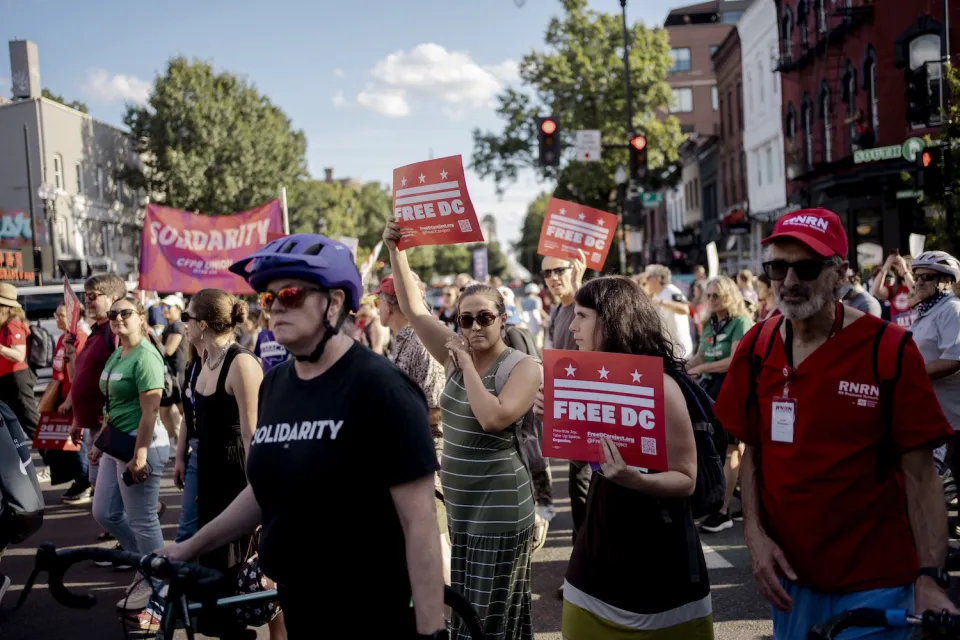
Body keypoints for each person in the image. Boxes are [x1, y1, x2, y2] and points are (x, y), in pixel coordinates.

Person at [162, 234, 446, 639]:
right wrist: (187, 547)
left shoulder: (383, 388)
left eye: (291, 295)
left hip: (370, 614)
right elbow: (265, 489)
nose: (276, 306)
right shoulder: (276, 384)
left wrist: (431, 631)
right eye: (268, 298)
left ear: (333, 303)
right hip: (300, 608)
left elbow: (418, 522)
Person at [714, 208, 956, 639]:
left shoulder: (889, 350)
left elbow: (921, 477)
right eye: (778, 267)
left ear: (838, 273)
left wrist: (930, 579)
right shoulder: (757, 347)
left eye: (805, 267)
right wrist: (753, 534)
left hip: (875, 582)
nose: (789, 281)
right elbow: (753, 451)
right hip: (790, 583)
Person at [386, 221, 539, 640]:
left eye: (485, 318)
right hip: (461, 506)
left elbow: (493, 417)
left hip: (500, 504)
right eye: (465, 320)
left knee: (487, 618)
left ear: (503, 319)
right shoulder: (456, 354)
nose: (473, 328)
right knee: (469, 608)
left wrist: (467, 365)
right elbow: (416, 311)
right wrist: (396, 250)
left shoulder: (522, 368)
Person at [544, 276, 712, 639]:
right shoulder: (588, 380)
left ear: (613, 319)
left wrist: (636, 480)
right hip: (595, 555)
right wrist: (556, 418)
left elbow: (686, 478)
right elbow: (588, 455)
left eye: (582, 316)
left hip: (659, 563)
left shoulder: (662, 386)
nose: (572, 326)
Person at [158, 289, 277, 638]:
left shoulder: (241, 363)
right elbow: (192, 419)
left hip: (237, 473)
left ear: (204, 324)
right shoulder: (200, 360)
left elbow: (252, 436)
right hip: (208, 469)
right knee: (216, 560)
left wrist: (260, 497)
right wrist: (182, 456)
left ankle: (272, 632)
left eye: (187, 317)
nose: (182, 323)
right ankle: (228, 627)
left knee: (246, 561)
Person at [89, 295, 171, 612]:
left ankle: (159, 585)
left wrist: (139, 455)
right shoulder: (119, 353)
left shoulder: (146, 356)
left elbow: (150, 412)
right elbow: (112, 404)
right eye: (113, 314)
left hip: (140, 442)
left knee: (142, 519)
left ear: (140, 316)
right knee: (105, 513)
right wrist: (99, 443)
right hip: (117, 442)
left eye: (125, 313)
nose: (117, 318)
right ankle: (147, 564)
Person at [685, 276, 753, 533]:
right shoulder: (710, 322)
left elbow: (734, 360)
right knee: (717, 447)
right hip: (712, 389)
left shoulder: (740, 321)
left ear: (729, 296)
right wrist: (679, 366)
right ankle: (731, 498)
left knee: (732, 450)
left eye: (717, 296)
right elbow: (701, 354)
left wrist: (700, 367)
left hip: (735, 389)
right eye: (709, 295)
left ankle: (723, 511)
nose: (711, 300)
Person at [68, 274, 127, 546]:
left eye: (94, 295)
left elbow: (120, 382)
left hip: (111, 425)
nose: (87, 300)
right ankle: (121, 528)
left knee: (114, 493)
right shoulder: (95, 332)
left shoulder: (113, 334)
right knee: (100, 486)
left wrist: (105, 428)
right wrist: (77, 418)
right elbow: (78, 377)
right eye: (86, 295)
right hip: (94, 424)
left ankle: (126, 538)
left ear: (112, 299)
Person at [907, 251, 960, 484]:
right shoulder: (926, 312)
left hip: (954, 418)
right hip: (932, 415)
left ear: (946, 281)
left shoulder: (952, 310)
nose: (918, 282)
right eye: (916, 276)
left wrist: (910, 375)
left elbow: (955, 358)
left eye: (926, 277)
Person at [48, 304, 90, 503]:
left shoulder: (79, 338)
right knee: (60, 445)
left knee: (78, 445)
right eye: (56, 314)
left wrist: (68, 401)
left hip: (75, 401)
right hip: (63, 398)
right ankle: (80, 480)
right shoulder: (62, 338)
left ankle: (85, 483)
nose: (56, 317)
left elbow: (79, 375)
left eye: (61, 314)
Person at [0, 284, 39, 441]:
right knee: (10, 424)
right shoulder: (5, 325)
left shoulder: (13, 323)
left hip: (17, 378)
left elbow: (18, 355)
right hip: (7, 379)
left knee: (31, 423)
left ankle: (54, 458)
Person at [644, 265, 694, 359]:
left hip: (681, 350)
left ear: (657, 278)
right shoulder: (658, 294)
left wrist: (662, 302)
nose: (646, 281)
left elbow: (685, 309)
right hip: (669, 349)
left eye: (648, 278)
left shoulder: (671, 290)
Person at [159, 295, 186, 451]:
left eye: (168, 307)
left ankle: (179, 444)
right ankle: (173, 444)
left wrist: (153, 341)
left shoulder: (177, 326)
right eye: (163, 307)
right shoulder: (170, 326)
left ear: (178, 309)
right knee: (168, 412)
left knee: (174, 412)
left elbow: (168, 350)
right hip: (171, 375)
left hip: (176, 376)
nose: (165, 310)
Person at [871, 252, 916, 328]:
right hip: (899, 334)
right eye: (898, 266)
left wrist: (905, 271)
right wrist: (885, 267)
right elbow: (876, 291)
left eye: (905, 266)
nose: (900, 268)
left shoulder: (918, 286)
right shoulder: (894, 288)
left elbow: (915, 291)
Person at [253, 307, 288, 372]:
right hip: (267, 377)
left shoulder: (286, 332)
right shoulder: (261, 334)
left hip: (284, 377)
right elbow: (257, 356)